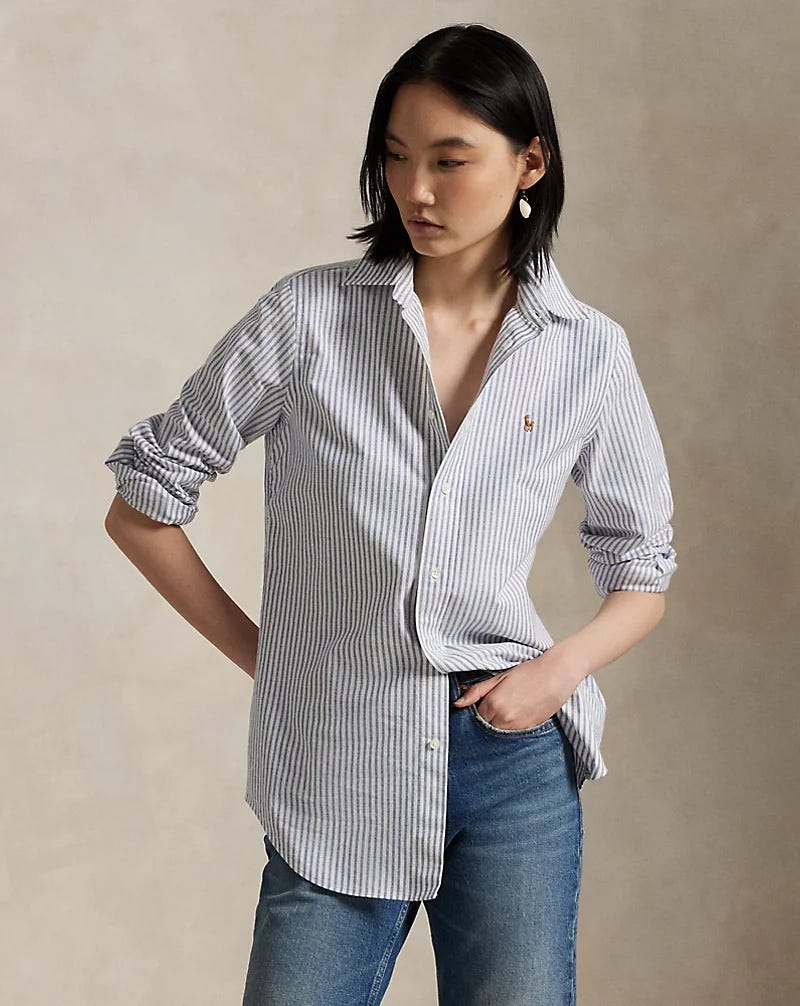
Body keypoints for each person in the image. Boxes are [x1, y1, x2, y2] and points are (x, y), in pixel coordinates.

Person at [103, 22, 677, 1006]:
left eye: (449, 161)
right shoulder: (305, 320)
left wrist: (555, 675)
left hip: (512, 765)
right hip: (339, 763)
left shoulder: (587, 351)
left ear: (530, 161)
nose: (415, 190)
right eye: (396, 156)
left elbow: (642, 574)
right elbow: (143, 505)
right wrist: (274, 656)